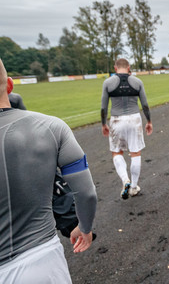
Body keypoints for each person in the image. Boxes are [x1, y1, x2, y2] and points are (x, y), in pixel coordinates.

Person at [0, 59, 97, 283]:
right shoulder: (53, 127)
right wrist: (84, 227)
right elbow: (87, 193)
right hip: (43, 259)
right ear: (11, 85)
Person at [101, 58, 153, 199]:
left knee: (117, 152)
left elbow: (103, 107)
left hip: (117, 119)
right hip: (134, 118)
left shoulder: (107, 83)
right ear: (129, 67)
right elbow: (145, 104)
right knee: (135, 153)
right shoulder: (137, 82)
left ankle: (125, 180)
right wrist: (149, 121)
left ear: (115, 68)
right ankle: (134, 187)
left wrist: (103, 124)